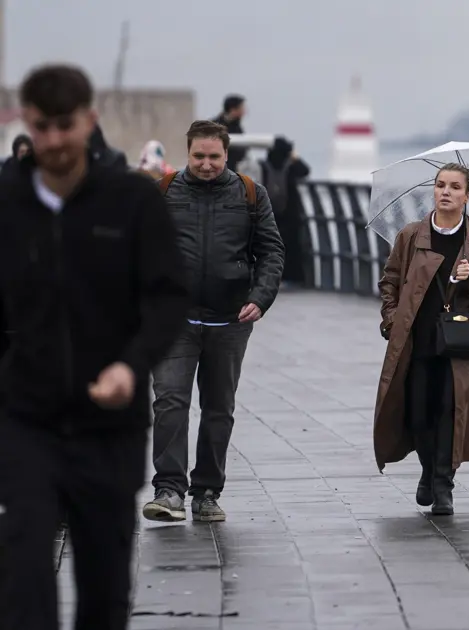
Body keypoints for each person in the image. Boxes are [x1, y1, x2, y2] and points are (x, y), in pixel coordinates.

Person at [0, 63, 190, 630]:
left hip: (110, 427)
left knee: (104, 588)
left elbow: (167, 298)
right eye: (42, 128)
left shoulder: (131, 201)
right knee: (24, 567)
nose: (54, 141)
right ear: (25, 123)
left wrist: (132, 367)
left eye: (65, 125)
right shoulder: (6, 203)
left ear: (90, 121)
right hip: (26, 418)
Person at [141, 120, 284, 524]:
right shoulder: (164, 192)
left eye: (214, 157)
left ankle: (206, 492)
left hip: (231, 320)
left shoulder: (251, 195)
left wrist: (261, 297)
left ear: (227, 155)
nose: (206, 164)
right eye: (198, 157)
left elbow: (272, 252)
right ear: (187, 154)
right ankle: (168, 490)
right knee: (170, 401)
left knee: (218, 408)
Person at [373, 163, 469, 516]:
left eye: (454, 187)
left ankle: (443, 484)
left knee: (451, 411)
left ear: (467, 195)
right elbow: (390, 281)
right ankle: (428, 470)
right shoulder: (411, 235)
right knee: (418, 413)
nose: (446, 192)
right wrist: (391, 321)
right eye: (440, 185)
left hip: (459, 343)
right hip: (416, 339)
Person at [259, 136, 311, 285]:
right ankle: (293, 278)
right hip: (290, 215)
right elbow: (305, 171)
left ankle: (269, 276)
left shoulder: (263, 166)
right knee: (292, 247)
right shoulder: (290, 166)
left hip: (268, 214)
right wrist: (296, 158)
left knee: (268, 247)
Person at [213, 94, 247, 172]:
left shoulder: (237, 127)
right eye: (242, 108)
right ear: (233, 109)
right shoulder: (214, 126)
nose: (244, 112)